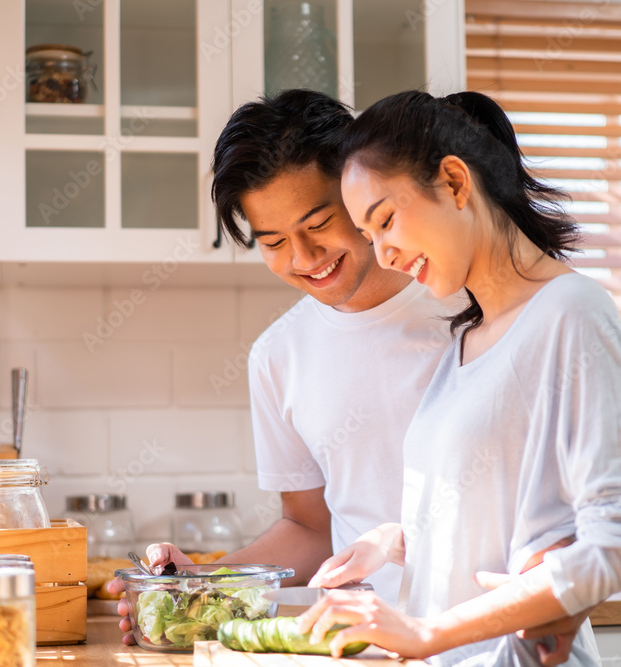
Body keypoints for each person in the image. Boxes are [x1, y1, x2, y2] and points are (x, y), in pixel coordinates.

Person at [108, 89, 589, 664]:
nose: (304, 257)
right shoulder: (278, 356)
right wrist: (202, 583)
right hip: (368, 651)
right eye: (274, 242)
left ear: (361, 190)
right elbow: (311, 527)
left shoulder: (479, 297)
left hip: (510, 644)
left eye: (319, 222)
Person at [295, 90, 621, 665]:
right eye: (369, 238)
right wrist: (394, 540)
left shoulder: (571, 312)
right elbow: (495, 514)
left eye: (386, 220)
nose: (385, 254)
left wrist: (426, 636)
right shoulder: (467, 338)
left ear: (453, 181)